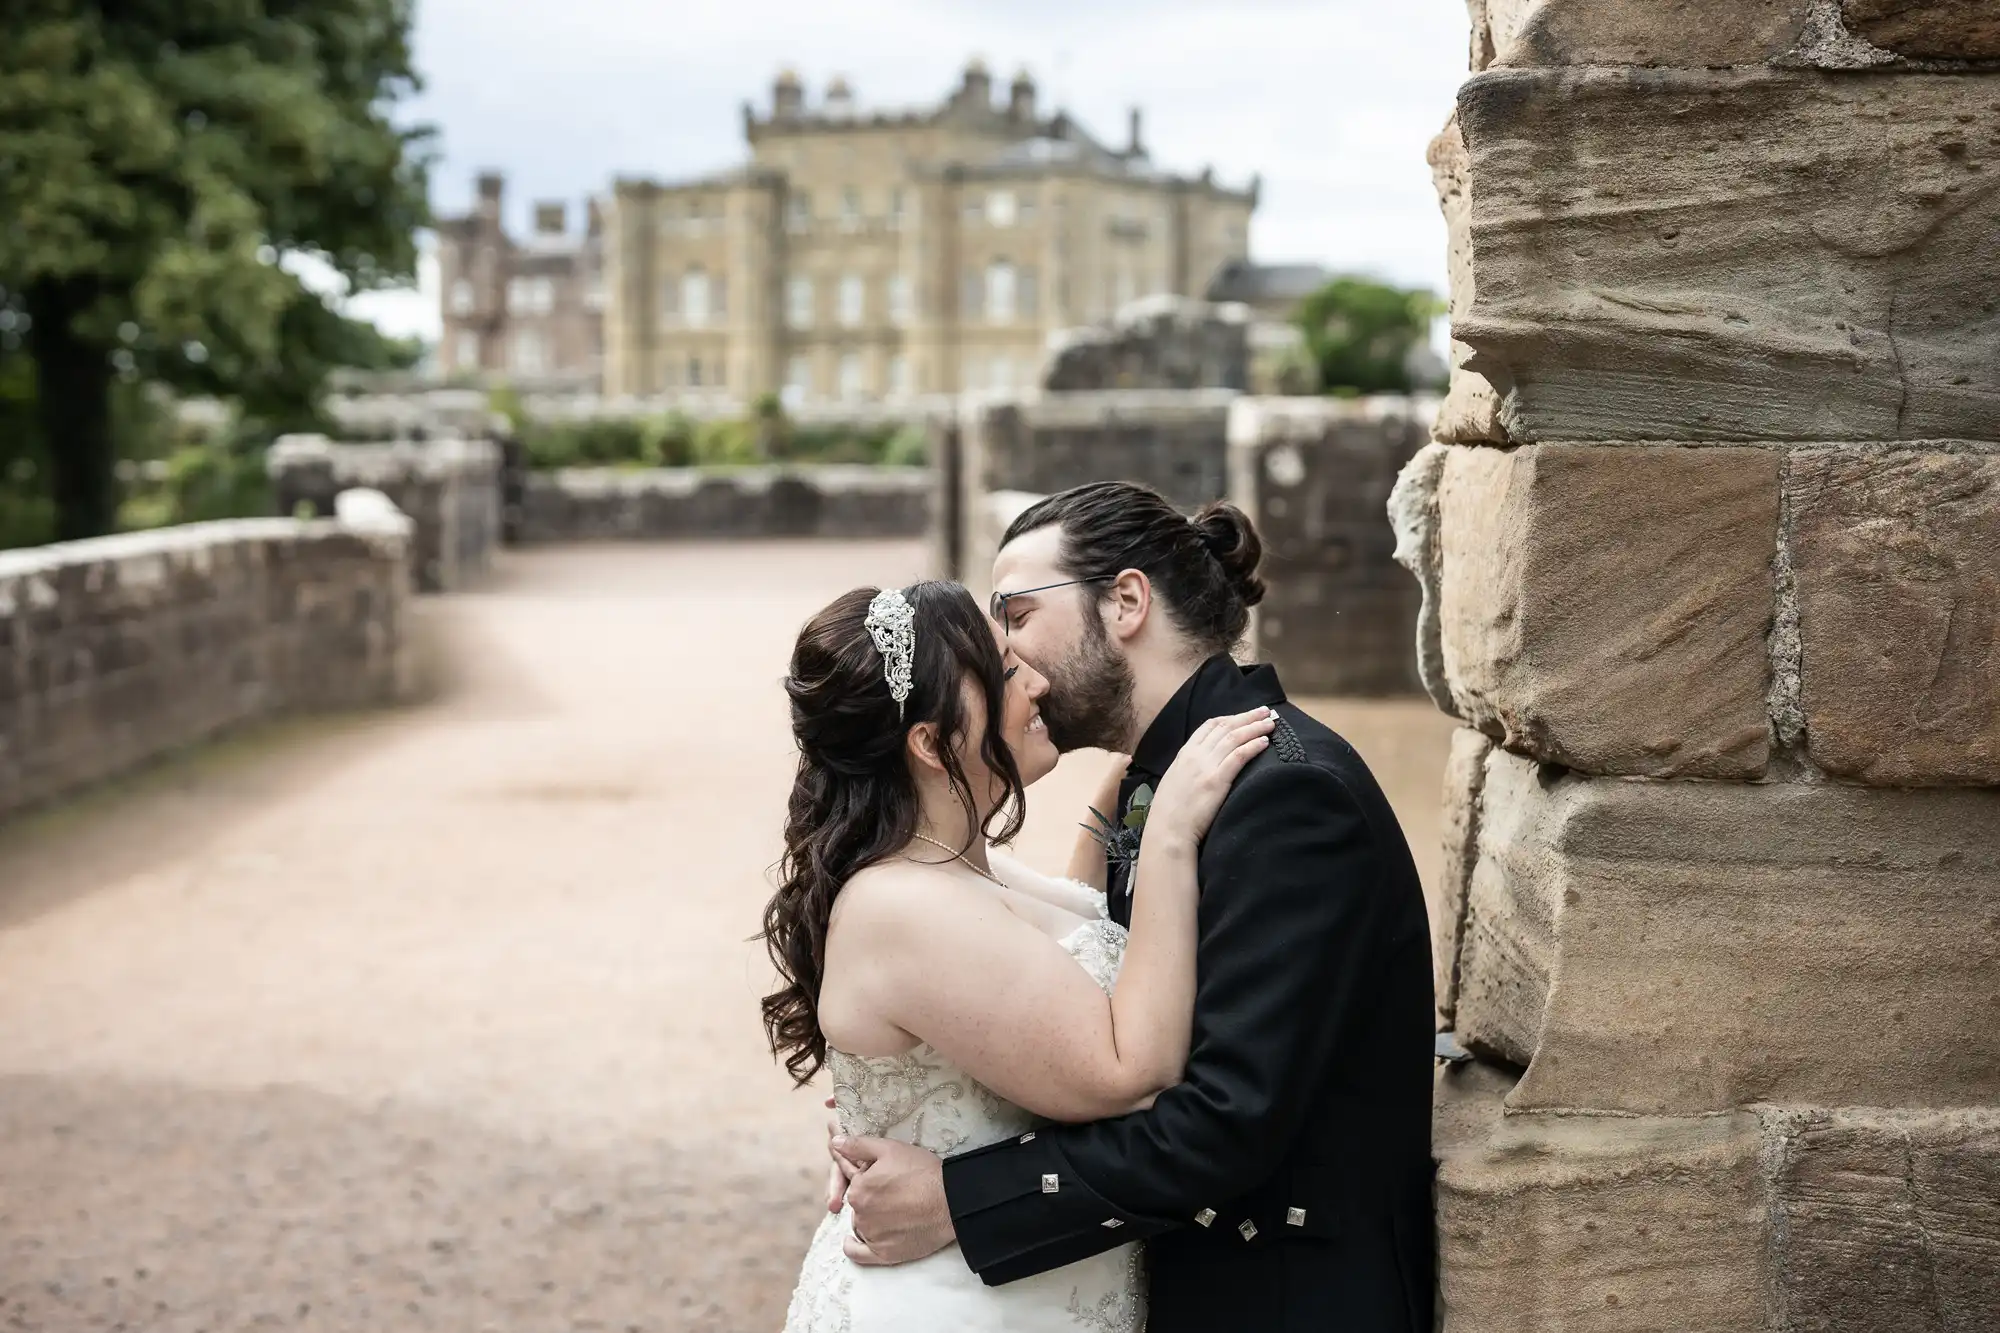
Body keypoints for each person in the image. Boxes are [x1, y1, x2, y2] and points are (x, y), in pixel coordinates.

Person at [831, 482, 1437, 1333]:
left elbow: (1221, 1122)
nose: (1001, 652)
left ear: (1125, 601)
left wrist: (955, 1193)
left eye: (1012, 613)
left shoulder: (1285, 795)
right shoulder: (1168, 783)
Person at [767, 578, 1276, 1331]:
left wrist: (1150, 737)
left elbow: (1056, 948)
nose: (1036, 679)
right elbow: (1126, 1070)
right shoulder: (902, 907)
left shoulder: (957, 867)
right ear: (933, 743)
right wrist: (1167, 833)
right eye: (1006, 672)